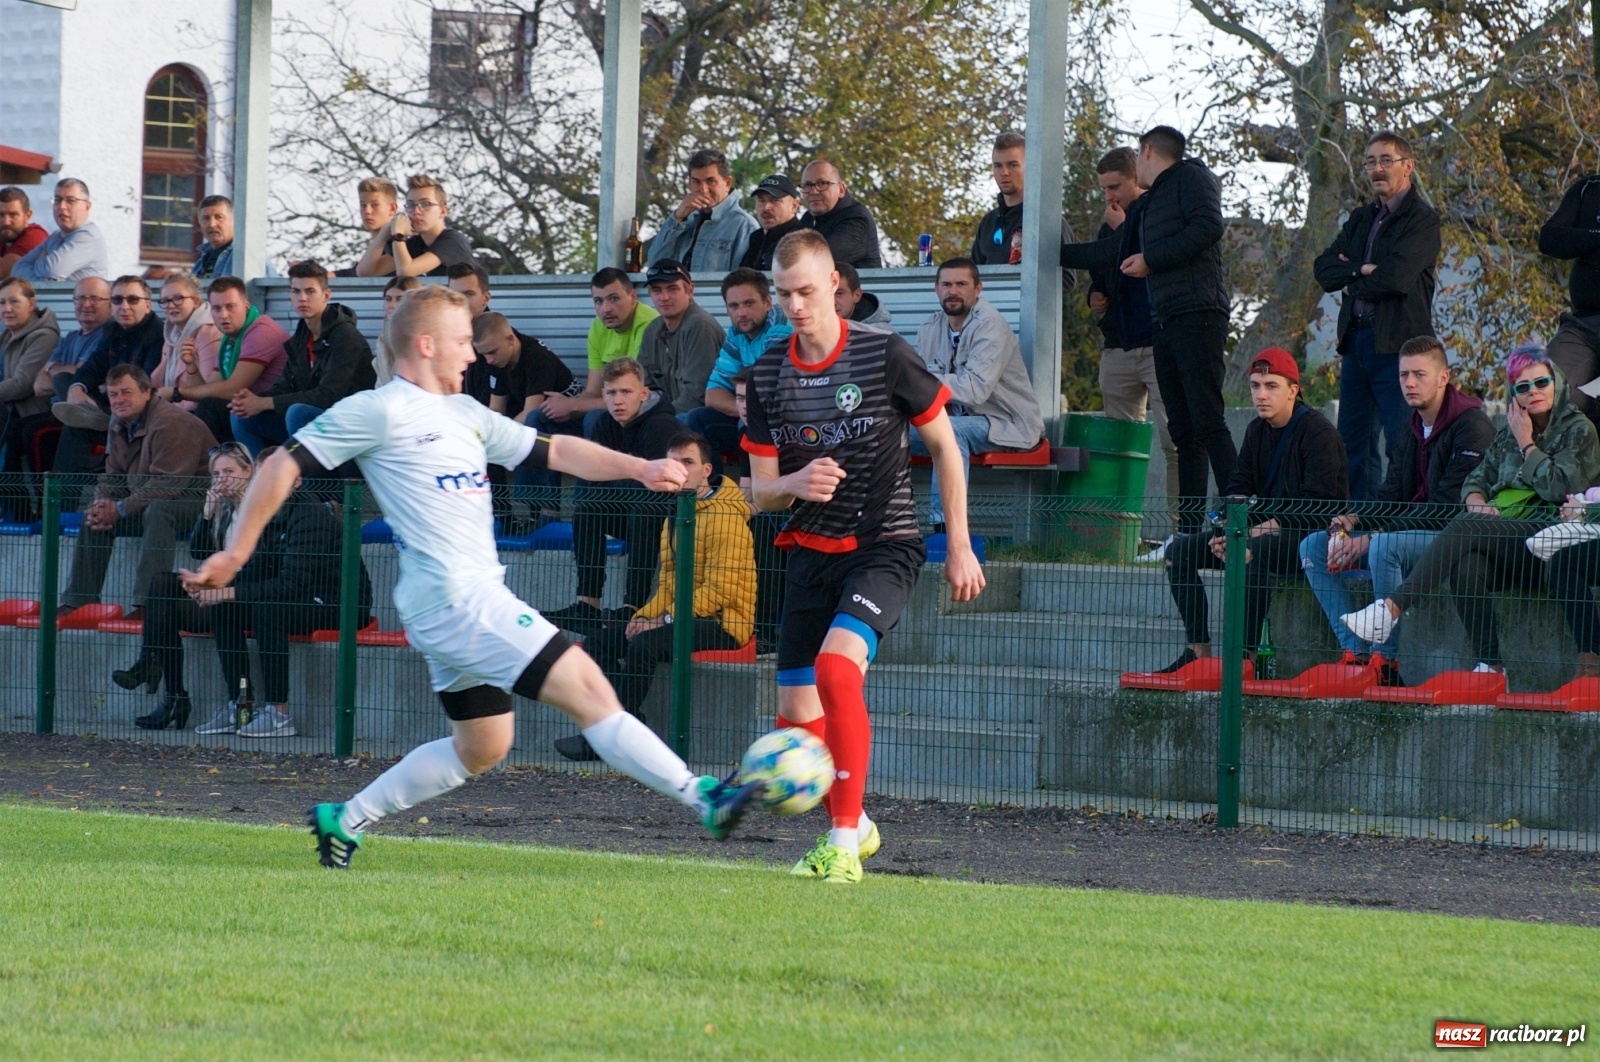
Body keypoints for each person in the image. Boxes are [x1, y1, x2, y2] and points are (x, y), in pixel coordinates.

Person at [182, 284, 758, 869]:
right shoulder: (380, 408)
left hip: (452, 606)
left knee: (483, 745)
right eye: (461, 342)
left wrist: (642, 467)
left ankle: (345, 818)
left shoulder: (464, 414)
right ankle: (706, 797)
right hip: (461, 602)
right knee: (592, 691)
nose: (471, 355)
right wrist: (234, 550)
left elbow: (556, 453)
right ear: (426, 344)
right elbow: (280, 463)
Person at [744, 229, 984, 884]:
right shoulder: (766, 373)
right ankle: (857, 821)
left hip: (887, 544)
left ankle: (844, 844)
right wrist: (792, 485)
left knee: (836, 670)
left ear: (835, 289)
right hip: (809, 552)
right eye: (783, 294)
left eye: (806, 292)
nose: (795, 305)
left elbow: (945, 447)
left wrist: (956, 543)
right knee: (795, 719)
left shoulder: (883, 354)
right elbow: (761, 492)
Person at [1343, 345, 1600, 674]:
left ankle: (1390, 610)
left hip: (1551, 535)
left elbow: (1559, 487)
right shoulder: (1509, 432)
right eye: (1523, 387)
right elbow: (1475, 480)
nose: (1533, 392)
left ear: (1557, 382)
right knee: (1465, 566)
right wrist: (1478, 504)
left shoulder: (1579, 431)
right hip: (1506, 540)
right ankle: (1491, 667)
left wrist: (1527, 444)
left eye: (1541, 383)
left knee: (1464, 526)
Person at [554, 431, 756, 761]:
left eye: (687, 462)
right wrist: (643, 617)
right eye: (673, 462)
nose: (679, 469)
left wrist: (662, 620)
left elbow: (720, 591)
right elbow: (668, 582)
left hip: (724, 621)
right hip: (683, 614)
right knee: (600, 642)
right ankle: (625, 724)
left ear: (706, 470)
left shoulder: (726, 514)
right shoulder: (677, 509)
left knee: (645, 645)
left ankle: (606, 738)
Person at [1297, 337, 1492, 675]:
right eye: (1403, 375)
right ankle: (1355, 653)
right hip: (1409, 533)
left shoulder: (1472, 426)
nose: (1410, 383)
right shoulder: (1411, 426)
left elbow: (1445, 510)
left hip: (1452, 540)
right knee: (1313, 546)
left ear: (1444, 377)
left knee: (1383, 547)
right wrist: (1352, 519)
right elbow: (1391, 494)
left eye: (1420, 374)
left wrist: (1373, 537)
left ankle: (1385, 662)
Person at [1157, 347, 1348, 674]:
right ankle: (1198, 650)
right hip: (1259, 532)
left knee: (1250, 551)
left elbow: (1317, 507)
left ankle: (1244, 658)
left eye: (1271, 386)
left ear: (1293, 390)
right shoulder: (1255, 431)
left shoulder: (1318, 432)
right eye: (1256, 386)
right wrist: (1223, 531)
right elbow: (1237, 487)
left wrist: (1249, 532)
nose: (1261, 394)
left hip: (1310, 540)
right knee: (1178, 552)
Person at [1314, 132, 1441, 500]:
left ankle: (1398, 531)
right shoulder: (1360, 219)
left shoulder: (1422, 220)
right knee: (1353, 446)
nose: (1377, 168)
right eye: (1370, 161)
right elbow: (1324, 271)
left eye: (1386, 160)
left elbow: (1397, 278)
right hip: (1356, 342)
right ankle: (1358, 530)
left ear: (1409, 167)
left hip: (1399, 348)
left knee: (1401, 445)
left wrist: (1352, 274)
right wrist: (1364, 270)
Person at [1060, 147, 1177, 547]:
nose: (1110, 196)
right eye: (1104, 189)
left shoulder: (1155, 213)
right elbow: (1103, 268)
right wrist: (1096, 293)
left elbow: (1133, 256)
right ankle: (1119, 534)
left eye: (1115, 187)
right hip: (1118, 347)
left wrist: (1113, 235)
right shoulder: (1111, 221)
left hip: (1158, 344)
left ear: (1136, 180)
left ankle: (1182, 531)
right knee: (1121, 445)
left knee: (1172, 440)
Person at [1120, 126, 1235, 531]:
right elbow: (1112, 250)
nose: (1135, 167)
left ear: (1148, 151)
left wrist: (1152, 259)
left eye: (1136, 156)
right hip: (1165, 319)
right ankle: (1188, 530)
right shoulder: (1151, 202)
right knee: (1182, 430)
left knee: (1207, 419)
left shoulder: (1192, 176)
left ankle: (1240, 516)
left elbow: (1209, 227)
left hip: (1199, 312)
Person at [59, 364, 217, 621]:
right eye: (113, 394)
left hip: (201, 501)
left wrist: (120, 508)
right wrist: (102, 503)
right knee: (94, 517)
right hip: (148, 497)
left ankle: (149, 604)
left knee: (160, 510)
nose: (119, 400)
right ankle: (79, 601)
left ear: (147, 392)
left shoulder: (172, 422)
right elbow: (113, 474)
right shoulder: (118, 420)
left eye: (126, 392)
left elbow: (169, 484)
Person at [909, 257, 1044, 528]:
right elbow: (916, 387)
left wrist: (922, 381)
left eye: (961, 284)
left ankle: (945, 530)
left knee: (949, 431)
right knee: (885, 429)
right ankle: (880, 530)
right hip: (955, 421)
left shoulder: (990, 325)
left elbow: (974, 390)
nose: (953, 291)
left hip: (1007, 424)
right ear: (936, 289)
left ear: (978, 289)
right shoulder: (929, 328)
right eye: (946, 284)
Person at [546, 358, 679, 623]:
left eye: (626, 392)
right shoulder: (604, 425)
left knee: (645, 511)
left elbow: (663, 491)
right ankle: (588, 603)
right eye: (611, 393)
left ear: (643, 394)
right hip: (633, 507)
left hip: (675, 519)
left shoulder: (661, 426)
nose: (618, 400)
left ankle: (633, 606)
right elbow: (597, 483)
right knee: (588, 509)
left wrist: (619, 479)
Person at [228, 260, 375, 455]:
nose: (302, 298)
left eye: (310, 291)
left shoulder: (346, 337)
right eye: (296, 291)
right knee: (241, 415)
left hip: (347, 427)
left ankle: (307, 484)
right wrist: (253, 400)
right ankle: (259, 479)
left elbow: (328, 396)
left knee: (298, 412)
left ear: (326, 296)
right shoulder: (303, 333)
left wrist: (263, 403)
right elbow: (286, 385)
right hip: (312, 422)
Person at [3, 278, 110, 512]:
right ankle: (15, 511)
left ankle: (47, 510)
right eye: (80, 298)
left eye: (94, 298)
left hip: (89, 416)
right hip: (59, 409)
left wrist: (56, 370)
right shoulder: (71, 337)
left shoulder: (107, 335)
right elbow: (40, 385)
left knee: (33, 431)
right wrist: (63, 371)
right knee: (16, 430)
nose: (86, 304)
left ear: (109, 304)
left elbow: (86, 374)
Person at [526, 268, 659, 440]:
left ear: (633, 297)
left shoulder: (649, 325)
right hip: (610, 406)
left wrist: (573, 405)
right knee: (538, 417)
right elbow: (593, 391)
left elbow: (632, 397)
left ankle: (594, 467)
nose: (606, 309)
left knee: (594, 418)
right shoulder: (598, 327)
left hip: (640, 412)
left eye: (614, 299)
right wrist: (565, 407)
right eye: (598, 301)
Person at [159, 277, 289, 443]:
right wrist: (191, 366)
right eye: (217, 309)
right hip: (246, 412)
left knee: (211, 408)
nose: (223, 315)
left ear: (246, 305)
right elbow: (209, 391)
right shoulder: (229, 339)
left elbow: (232, 389)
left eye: (230, 307)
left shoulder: (261, 332)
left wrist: (176, 393)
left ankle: (214, 465)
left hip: (276, 416)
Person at [683, 267, 792, 460]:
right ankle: (712, 489)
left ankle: (753, 487)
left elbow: (766, 394)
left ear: (767, 303)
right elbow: (713, 394)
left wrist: (748, 413)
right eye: (734, 306)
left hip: (785, 424)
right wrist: (743, 410)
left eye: (749, 303)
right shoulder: (736, 335)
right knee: (692, 419)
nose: (741, 313)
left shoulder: (780, 327)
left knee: (747, 425)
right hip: (753, 418)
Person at [53, 275, 165, 435]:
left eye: (133, 300)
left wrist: (110, 388)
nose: (124, 307)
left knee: (75, 428)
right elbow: (94, 366)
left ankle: (99, 419)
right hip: (109, 400)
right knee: (62, 380)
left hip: (137, 407)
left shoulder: (157, 333)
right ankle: (92, 416)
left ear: (148, 305)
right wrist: (76, 388)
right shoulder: (112, 329)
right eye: (117, 300)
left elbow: (145, 384)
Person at [970, 130, 1076, 286]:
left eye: (1012, 165)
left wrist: (1024, 282)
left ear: (1030, 168)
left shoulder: (1047, 221)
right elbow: (972, 277)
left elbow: (1066, 280)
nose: (1004, 173)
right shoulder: (988, 222)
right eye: (998, 166)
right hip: (988, 309)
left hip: (1030, 310)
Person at [1537, 172, 1600, 429]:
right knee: (1543, 386)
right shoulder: (1588, 189)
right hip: (1582, 324)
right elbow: (1549, 239)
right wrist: (1596, 238)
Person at [730, 370, 786, 653]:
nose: (744, 405)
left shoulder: (783, 430)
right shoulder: (746, 434)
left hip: (795, 510)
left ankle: (766, 630)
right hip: (769, 508)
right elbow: (747, 490)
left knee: (763, 531)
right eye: (739, 398)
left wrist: (747, 511)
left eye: (749, 398)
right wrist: (733, 515)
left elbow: (778, 493)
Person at [646, 148, 758, 273]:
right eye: (696, 182)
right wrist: (678, 217)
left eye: (711, 181)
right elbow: (655, 264)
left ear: (727, 183)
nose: (703, 189)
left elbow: (744, 283)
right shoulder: (684, 221)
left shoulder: (744, 225)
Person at [636, 258, 725, 416]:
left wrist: (654, 420)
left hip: (701, 418)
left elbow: (695, 397)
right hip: (670, 415)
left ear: (690, 291)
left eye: (672, 289)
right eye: (657, 290)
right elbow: (642, 388)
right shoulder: (652, 330)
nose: (664, 297)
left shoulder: (700, 326)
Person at [474, 311, 572, 424]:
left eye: (492, 352)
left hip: (569, 421)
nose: (488, 360)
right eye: (483, 354)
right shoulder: (497, 360)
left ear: (510, 340)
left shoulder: (536, 357)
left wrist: (502, 436)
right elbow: (496, 410)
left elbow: (530, 412)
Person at [148, 273, 223, 415]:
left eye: (178, 298)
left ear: (195, 301)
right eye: (165, 300)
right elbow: (160, 380)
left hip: (193, 414)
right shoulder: (172, 333)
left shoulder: (208, 333)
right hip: (170, 410)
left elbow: (208, 395)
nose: (170, 305)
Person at [10, 178, 109, 283]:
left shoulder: (89, 236)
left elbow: (52, 270)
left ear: (87, 207)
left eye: (70, 200)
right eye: (57, 200)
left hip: (81, 299)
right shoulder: (55, 236)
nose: (62, 206)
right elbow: (17, 270)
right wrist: (46, 276)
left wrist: (39, 262)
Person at [379, 175, 477, 278]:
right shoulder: (417, 243)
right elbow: (366, 271)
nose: (416, 211)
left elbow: (405, 272)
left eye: (425, 204)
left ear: (443, 211)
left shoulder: (453, 240)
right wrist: (384, 231)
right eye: (411, 205)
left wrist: (398, 235)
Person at [797, 160, 883, 269]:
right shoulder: (809, 218)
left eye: (822, 183)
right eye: (807, 185)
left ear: (841, 189)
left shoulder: (857, 218)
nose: (813, 191)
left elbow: (818, 260)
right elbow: (781, 253)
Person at [446, 261, 494, 406]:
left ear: (485, 299)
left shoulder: (499, 340)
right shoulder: (442, 338)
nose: (461, 302)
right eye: (454, 295)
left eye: (468, 294)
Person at [739, 175, 804, 271]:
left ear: (794, 206)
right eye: (761, 200)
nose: (766, 207)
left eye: (775, 200)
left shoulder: (803, 240)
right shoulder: (755, 238)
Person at [340, 177, 402, 277]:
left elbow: (359, 274)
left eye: (374, 205)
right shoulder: (375, 249)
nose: (367, 211)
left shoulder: (399, 245)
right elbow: (353, 272)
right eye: (363, 205)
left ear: (392, 209)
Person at [374, 276, 421, 386]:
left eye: (400, 299)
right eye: (388, 299)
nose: (392, 305)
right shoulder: (382, 340)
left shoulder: (422, 338)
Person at [0, 187, 48, 278]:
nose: (6, 222)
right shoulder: (4, 235)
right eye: (1, 215)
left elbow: (2, 272)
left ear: (27, 216)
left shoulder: (35, 235)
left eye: (13, 215)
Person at [192, 196, 236, 279]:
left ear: (234, 220)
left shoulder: (245, 257)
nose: (212, 224)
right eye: (206, 218)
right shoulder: (201, 261)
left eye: (219, 217)